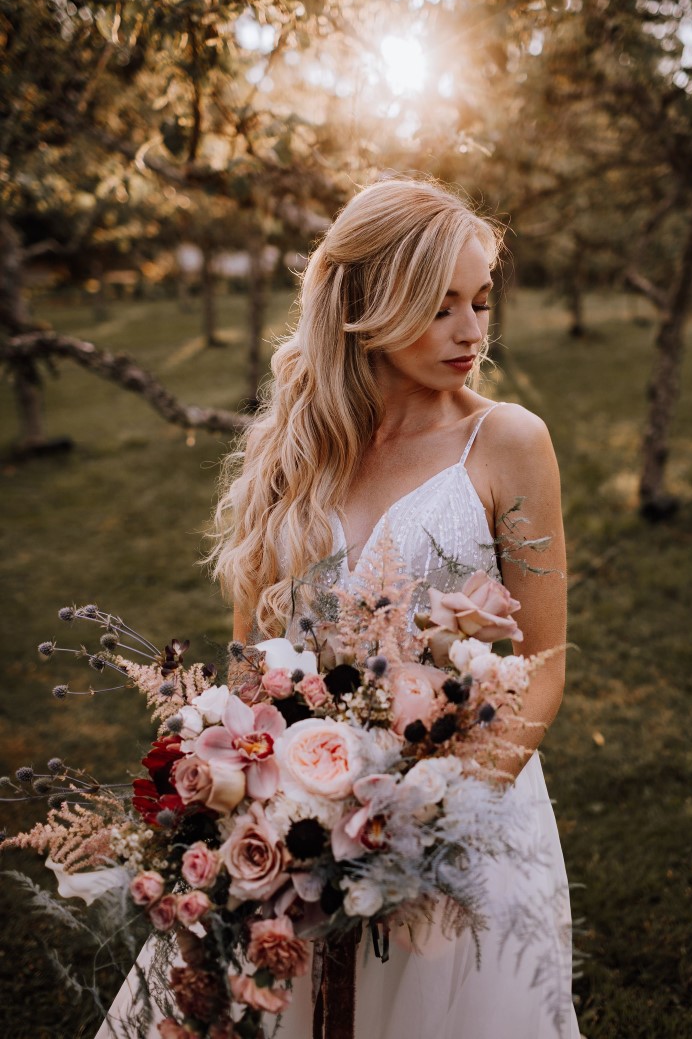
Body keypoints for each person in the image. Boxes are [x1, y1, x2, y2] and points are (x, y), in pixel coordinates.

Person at [209, 177, 580, 1039]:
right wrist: (265, 804)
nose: (472, 330)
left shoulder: (508, 442)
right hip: (301, 819)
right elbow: (248, 660)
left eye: (480, 302)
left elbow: (548, 663)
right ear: (365, 305)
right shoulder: (290, 456)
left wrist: (432, 826)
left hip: (467, 812)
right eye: (440, 304)